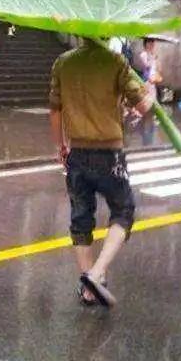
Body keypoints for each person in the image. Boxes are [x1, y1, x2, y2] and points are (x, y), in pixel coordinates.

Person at [49, 38, 153, 307]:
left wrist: (61, 146)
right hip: (110, 155)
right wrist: (150, 92)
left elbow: (55, 109)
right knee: (123, 210)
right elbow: (142, 106)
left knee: (81, 217)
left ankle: (88, 287)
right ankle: (96, 274)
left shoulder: (63, 62)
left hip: (76, 153)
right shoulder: (115, 62)